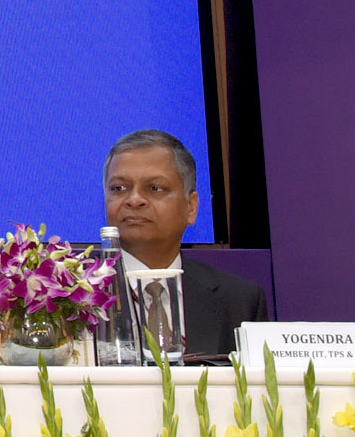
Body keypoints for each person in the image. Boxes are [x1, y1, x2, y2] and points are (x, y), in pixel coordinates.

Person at [104, 129, 267, 358]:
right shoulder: (71, 295)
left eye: (154, 188)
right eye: (119, 188)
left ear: (191, 207)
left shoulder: (240, 300)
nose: (134, 200)